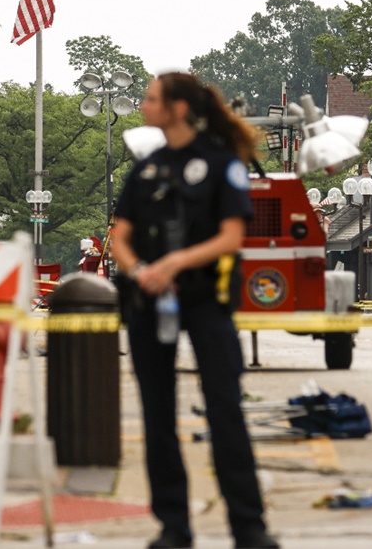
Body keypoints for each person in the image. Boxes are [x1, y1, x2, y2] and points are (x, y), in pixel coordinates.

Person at [111, 72, 279, 549]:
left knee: (225, 411)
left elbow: (231, 236)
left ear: (178, 108)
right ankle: (173, 527)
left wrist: (175, 262)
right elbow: (119, 237)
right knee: (156, 416)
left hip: (206, 301)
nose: (143, 107)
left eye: (149, 99)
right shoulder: (146, 169)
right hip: (150, 303)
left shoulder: (221, 162)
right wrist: (141, 270)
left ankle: (249, 527)